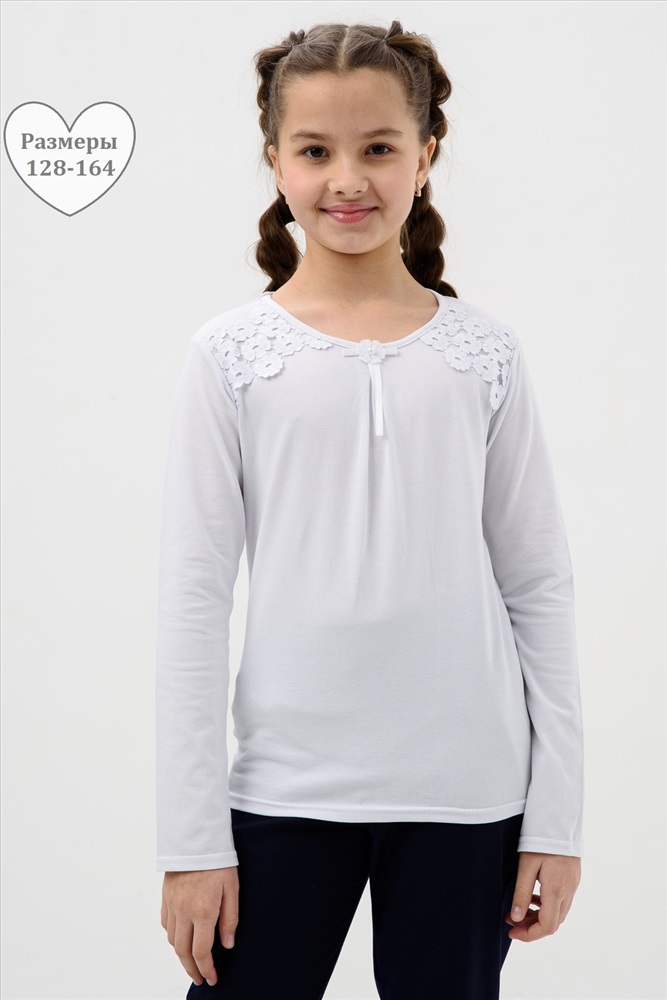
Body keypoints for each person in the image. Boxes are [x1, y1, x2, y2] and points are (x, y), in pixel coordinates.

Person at [156, 19, 584, 1000]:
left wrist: (555, 820)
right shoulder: (229, 356)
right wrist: (191, 842)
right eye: (315, 151)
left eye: (379, 148)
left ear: (424, 157)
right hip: (286, 788)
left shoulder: (484, 353)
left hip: (469, 796)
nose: (346, 180)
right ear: (275, 162)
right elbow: (192, 599)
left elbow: (539, 586)